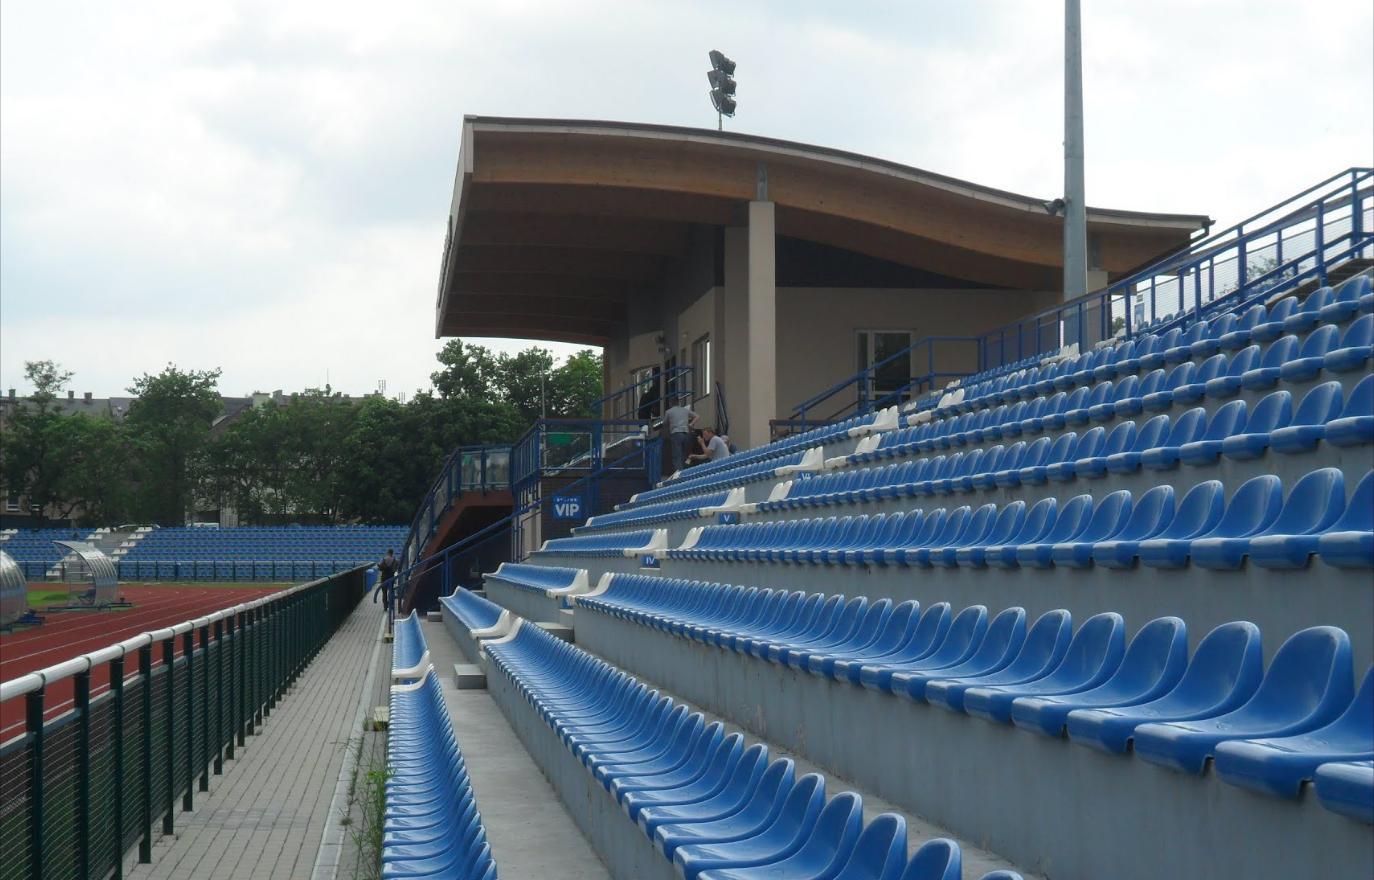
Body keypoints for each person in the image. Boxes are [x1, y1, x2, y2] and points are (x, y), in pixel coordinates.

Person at [664, 401, 698, 471]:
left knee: (677, 455)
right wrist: (691, 424)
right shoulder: (685, 410)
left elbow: (665, 423)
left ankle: (678, 473)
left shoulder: (669, 412)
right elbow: (697, 416)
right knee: (685, 454)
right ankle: (686, 471)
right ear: (678, 403)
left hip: (676, 434)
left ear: (670, 404)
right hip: (686, 433)